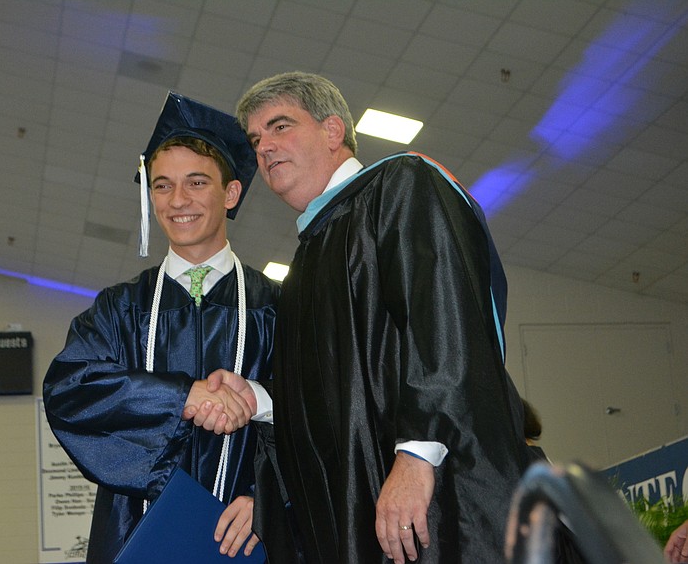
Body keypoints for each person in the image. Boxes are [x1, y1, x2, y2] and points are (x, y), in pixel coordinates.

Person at [232, 72, 531, 564]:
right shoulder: (308, 259)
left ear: (333, 131)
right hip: (368, 510)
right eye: (256, 139)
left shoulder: (402, 185)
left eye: (280, 126)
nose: (264, 147)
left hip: (436, 501)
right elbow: (344, 393)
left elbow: (442, 318)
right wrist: (263, 400)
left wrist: (417, 455)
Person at [43, 92, 279, 562]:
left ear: (231, 193)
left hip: (249, 532)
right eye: (162, 185)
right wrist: (182, 397)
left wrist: (268, 496)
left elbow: (327, 408)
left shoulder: (278, 305)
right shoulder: (117, 309)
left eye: (196, 182)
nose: (178, 201)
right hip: (136, 534)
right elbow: (71, 389)